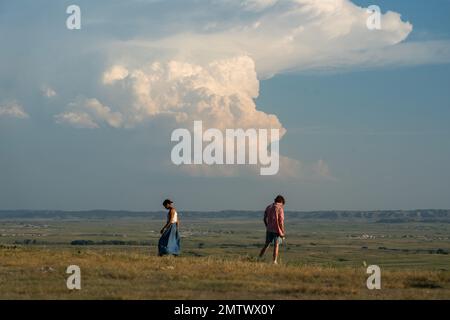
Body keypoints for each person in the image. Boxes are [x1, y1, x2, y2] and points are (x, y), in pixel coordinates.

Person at [259, 195, 286, 264]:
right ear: (281, 201)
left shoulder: (269, 207)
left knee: (266, 244)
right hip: (277, 230)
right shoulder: (280, 208)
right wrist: (282, 232)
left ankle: (259, 258)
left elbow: (264, 218)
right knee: (276, 245)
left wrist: (267, 226)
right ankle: (274, 261)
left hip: (269, 229)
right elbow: (281, 221)